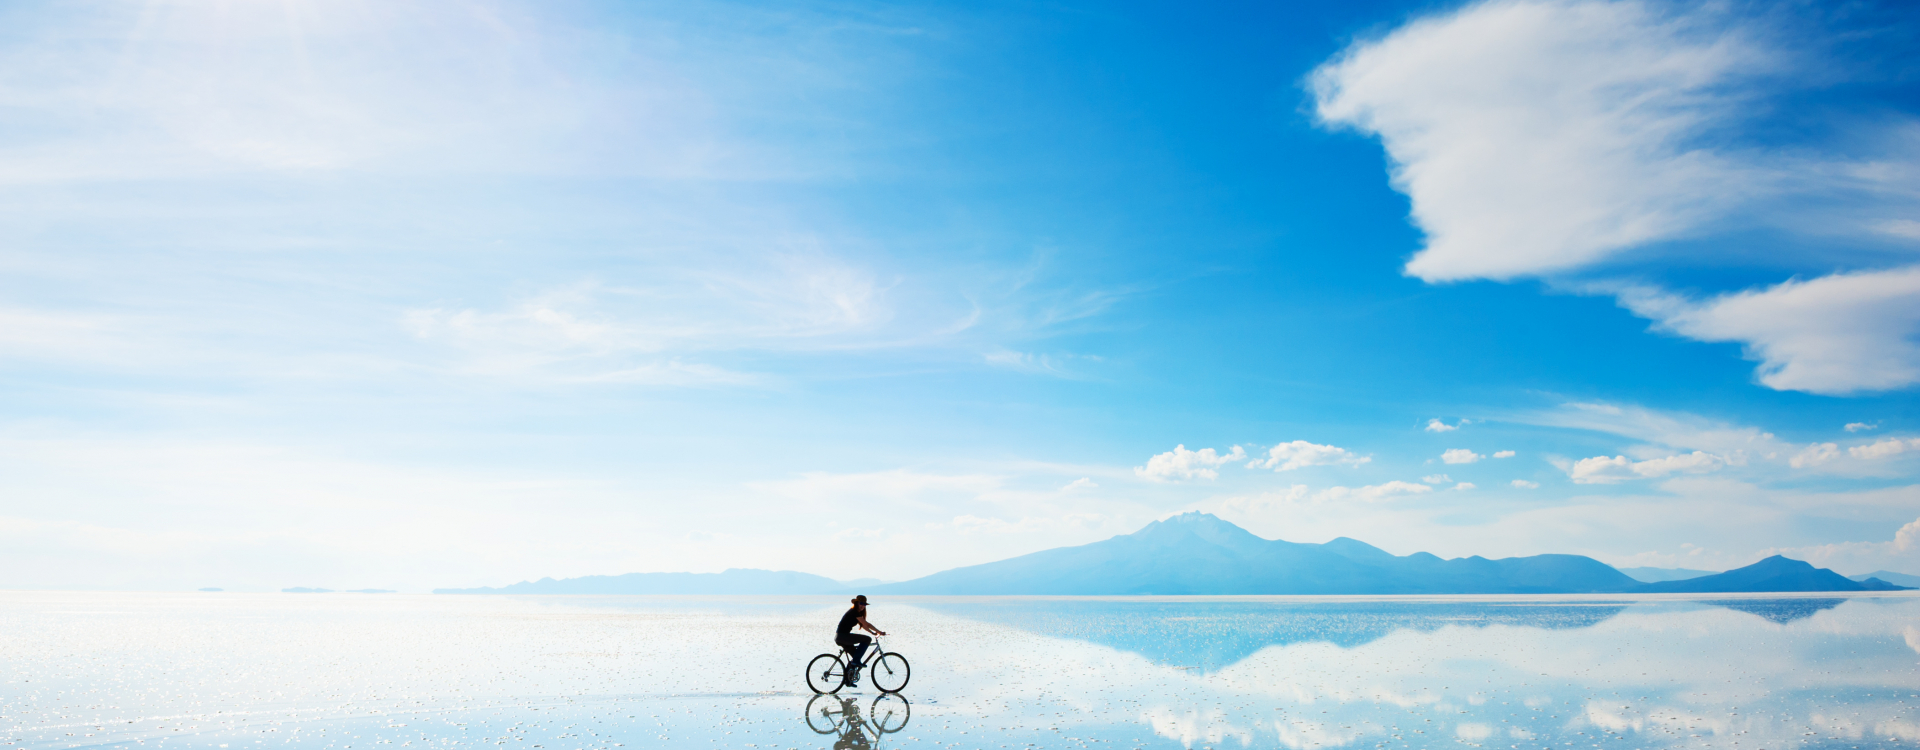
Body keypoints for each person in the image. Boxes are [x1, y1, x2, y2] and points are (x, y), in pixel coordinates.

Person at [835, 595, 886, 687]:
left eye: (864, 604)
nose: (863, 606)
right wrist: (879, 631)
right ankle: (857, 661)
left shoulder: (857, 613)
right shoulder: (854, 612)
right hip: (843, 636)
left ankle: (847, 681)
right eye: (861, 603)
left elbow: (864, 626)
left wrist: (873, 633)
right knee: (867, 640)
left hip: (841, 637)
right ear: (856, 603)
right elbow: (867, 624)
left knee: (855, 656)